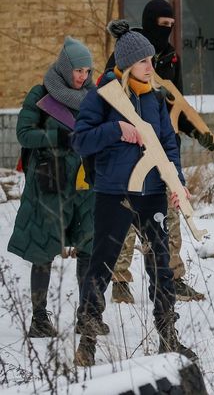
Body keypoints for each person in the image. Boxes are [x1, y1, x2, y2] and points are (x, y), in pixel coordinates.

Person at [72, 20, 196, 366]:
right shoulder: (103, 96)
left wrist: (177, 182)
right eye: (144, 62)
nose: (150, 67)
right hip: (115, 192)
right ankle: (88, 341)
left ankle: (168, 335)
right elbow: (80, 140)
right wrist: (116, 129)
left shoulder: (155, 98)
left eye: (151, 61)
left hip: (154, 190)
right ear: (127, 64)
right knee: (102, 264)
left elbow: (169, 145)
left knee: (161, 264)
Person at [105, 0, 210, 304]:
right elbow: (109, 100)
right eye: (162, 26)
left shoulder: (171, 57)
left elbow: (177, 104)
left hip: (164, 148)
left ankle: (172, 277)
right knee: (127, 217)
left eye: (172, 26)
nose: (167, 31)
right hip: (131, 150)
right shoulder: (126, 53)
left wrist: (196, 131)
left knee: (169, 215)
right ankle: (120, 280)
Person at [8, 37, 97, 338]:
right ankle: (39, 318)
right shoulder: (41, 94)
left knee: (88, 244)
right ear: (64, 67)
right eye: (78, 70)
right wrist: (56, 139)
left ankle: (87, 314)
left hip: (85, 182)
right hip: (50, 181)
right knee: (44, 249)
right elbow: (23, 133)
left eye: (87, 70)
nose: (83, 77)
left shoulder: (94, 97)